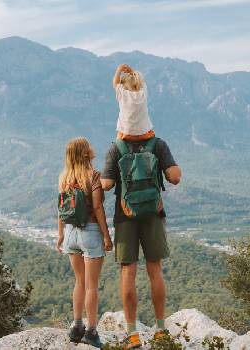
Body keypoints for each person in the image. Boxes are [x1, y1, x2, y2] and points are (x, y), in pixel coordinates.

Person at [101, 64, 182, 349]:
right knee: (155, 270)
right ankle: (161, 329)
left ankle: (132, 333)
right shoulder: (158, 144)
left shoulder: (115, 148)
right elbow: (174, 177)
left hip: (125, 216)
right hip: (154, 213)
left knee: (128, 272)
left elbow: (108, 184)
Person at [56, 137, 113, 348]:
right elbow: (98, 208)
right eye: (88, 145)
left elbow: (60, 209)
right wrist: (106, 236)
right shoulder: (93, 176)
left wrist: (60, 235)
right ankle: (91, 331)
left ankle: (76, 325)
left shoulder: (64, 177)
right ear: (84, 153)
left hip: (70, 233)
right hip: (89, 232)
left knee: (79, 282)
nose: (92, 147)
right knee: (92, 286)